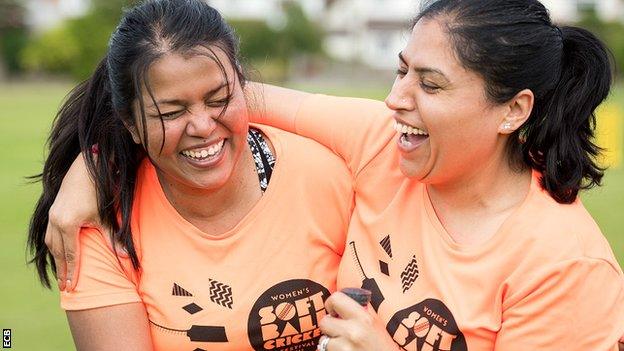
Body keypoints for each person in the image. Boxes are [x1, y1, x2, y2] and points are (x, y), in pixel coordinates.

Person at [43, 0, 624, 350]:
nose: (396, 99)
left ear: (513, 111)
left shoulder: (562, 264)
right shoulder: (381, 145)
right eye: (401, 72)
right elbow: (226, 98)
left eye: (431, 83)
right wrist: (98, 162)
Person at [27, 0, 357, 350]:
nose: (203, 127)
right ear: (130, 125)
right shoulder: (102, 226)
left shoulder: (329, 177)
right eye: (171, 112)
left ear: (242, 88)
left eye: (218, 99)